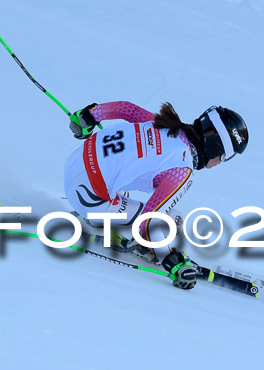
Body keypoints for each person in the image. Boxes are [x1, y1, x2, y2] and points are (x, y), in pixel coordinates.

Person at [65, 101, 248, 290]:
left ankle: (101, 221)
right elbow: (150, 220)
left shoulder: (165, 124)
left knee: (123, 179)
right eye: (226, 156)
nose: (221, 162)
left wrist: (88, 117)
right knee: (173, 220)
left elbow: (126, 109)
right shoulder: (181, 169)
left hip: (75, 160)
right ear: (215, 147)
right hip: (88, 197)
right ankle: (130, 241)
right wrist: (171, 261)